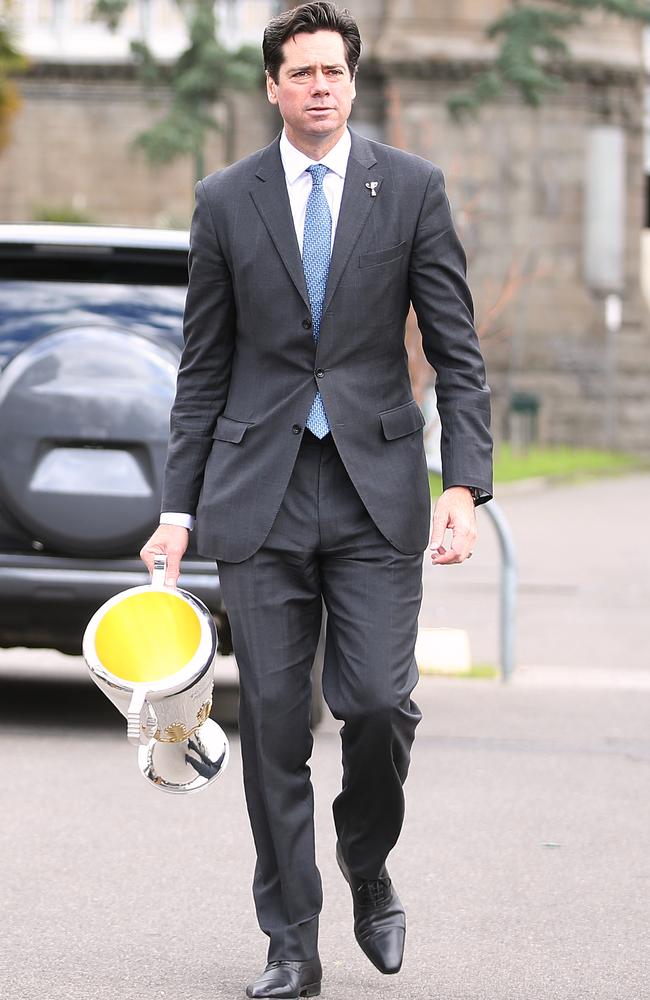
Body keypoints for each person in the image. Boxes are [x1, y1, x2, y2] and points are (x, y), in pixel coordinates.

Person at [140, 3, 492, 997]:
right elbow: (200, 370)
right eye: (299, 73)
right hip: (259, 499)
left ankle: (365, 860)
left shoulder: (411, 189)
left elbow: (457, 353)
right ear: (272, 88)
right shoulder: (225, 199)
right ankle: (290, 941)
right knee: (277, 730)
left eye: (332, 71)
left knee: (377, 704)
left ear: (351, 80)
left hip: (378, 491)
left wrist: (462, 482)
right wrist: (177, 508)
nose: (318, 87)